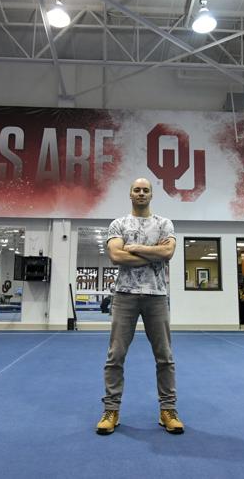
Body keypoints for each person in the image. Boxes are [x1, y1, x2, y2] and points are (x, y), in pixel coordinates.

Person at [95, 177, 184, 435]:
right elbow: (116, 255)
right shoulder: (118, 224)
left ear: (152, 195)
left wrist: (135, 249)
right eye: (137, 189)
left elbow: (168, 254)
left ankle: (168, 410)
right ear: (130, 194)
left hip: (157, 296)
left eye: (146, 190)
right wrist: (152, 253)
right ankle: (111, 410)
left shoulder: (164, 224)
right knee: (116, 356)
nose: (141, 193)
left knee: (165, 356)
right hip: (125, 296)